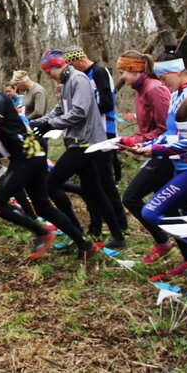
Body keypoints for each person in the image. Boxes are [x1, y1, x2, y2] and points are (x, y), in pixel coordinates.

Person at [0, 65, 99, 261]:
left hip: (26, 159)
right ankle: (85, 244)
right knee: (43, 207)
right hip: (32, 156)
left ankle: (43, 233)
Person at [130, 48, 187, 297]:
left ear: (178, 72)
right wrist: (148, 145)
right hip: (181, 166)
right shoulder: (176, 95)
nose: (161, 83)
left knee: (151, 211)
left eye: (164, 78)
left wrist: (157, 150)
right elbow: (170, 132)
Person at [30, 50, 127, 250]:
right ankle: (117, 236)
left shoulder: (78, 79)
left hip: (85, 143)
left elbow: (79, 112)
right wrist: (35, 122)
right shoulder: (67, 83)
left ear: (59, 66)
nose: (48, 76)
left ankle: (75, 230)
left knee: (51, 183)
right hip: (77, 141)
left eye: (49, 71)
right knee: (94, 190)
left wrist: (53, 125)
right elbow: (60, 110)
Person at [117, 51, 178, 266]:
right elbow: (147, 130)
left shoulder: (154, 89)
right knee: (167, 205)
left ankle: (166, 240)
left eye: (123, 72)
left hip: (166, 153)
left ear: (135, 69)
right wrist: (129, 140)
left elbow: (166, 129)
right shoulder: (139, 89)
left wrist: (138, 142)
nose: (121, 77)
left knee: (131, 198)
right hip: (152, 150)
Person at [62, 45, 127, 233]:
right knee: (93, 181)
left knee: (105, 180)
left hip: (104, 131)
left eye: (72, 65)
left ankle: (120, 224)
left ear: (79, 60)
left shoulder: (98, 72)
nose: (72, 71)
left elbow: (107, 102)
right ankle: (99, 223)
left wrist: (83, 114)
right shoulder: (85, 75)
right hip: (90, 134)